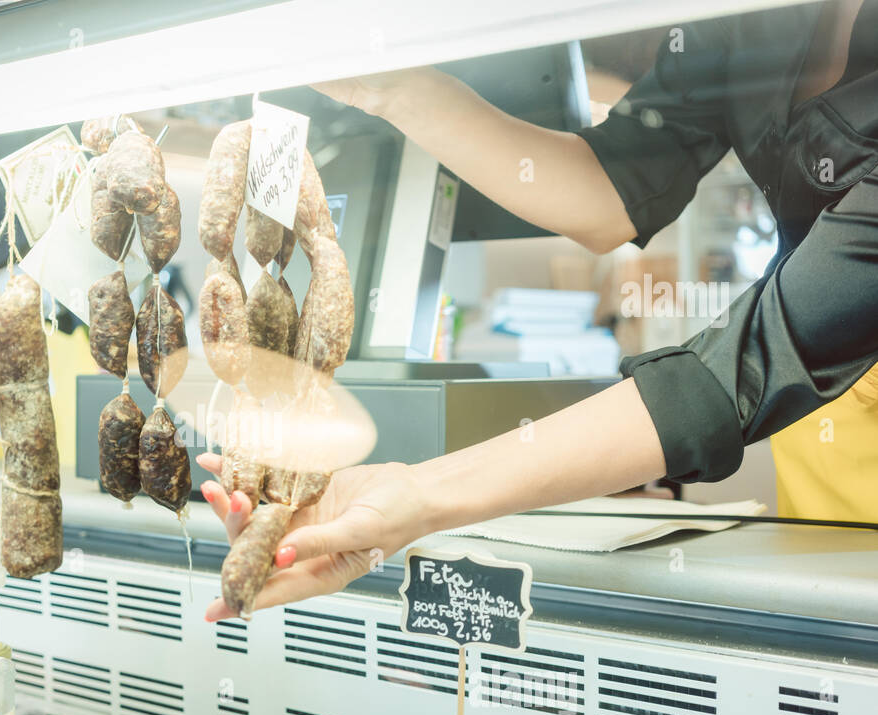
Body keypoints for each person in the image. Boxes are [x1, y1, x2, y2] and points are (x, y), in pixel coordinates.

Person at [198, 0, 878, 621]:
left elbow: (745, 364)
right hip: (824, 453)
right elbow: (612, 189)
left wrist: (418, 495)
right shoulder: (745, 15)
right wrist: (387, 86)